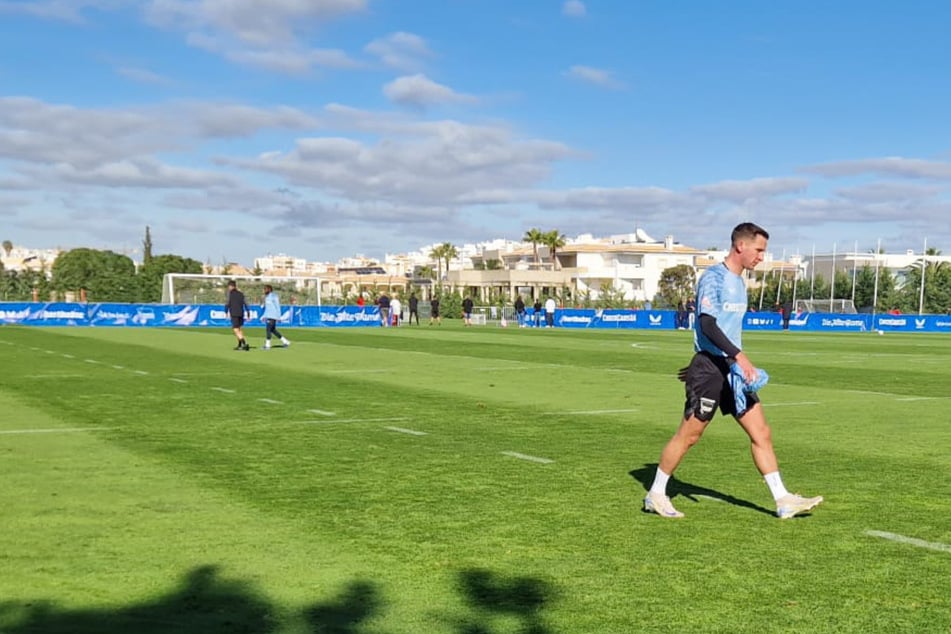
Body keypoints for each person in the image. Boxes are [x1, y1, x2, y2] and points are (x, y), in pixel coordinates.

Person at [643, 222, 823, 520]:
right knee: (690, 434)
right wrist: (727, 360)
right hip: (716, 367)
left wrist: (727, 362)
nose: (761, 257)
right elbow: (707, 324)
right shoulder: (713, 278)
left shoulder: (739, 282)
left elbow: (721, 329)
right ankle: (656, 493)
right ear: (741, 245)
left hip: (729, 370)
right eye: (759, 250)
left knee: (761, 431)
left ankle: (783, 499)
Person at [261, 284, 290, 349]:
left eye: (264, 289)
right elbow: (267, 308)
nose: (263, 290)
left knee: (268, 329)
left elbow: (277, 306)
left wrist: (278, 316)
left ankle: (267, 345)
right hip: (269, 316)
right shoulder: (266, 297)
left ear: (268, 289)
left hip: (273, 316)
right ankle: (285, 341)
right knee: (273, 330)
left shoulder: (274, 296)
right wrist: (264, 316)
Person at [225, 280, 250, 351]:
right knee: (239, 329)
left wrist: (226, 312)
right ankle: (240, 345)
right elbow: (246, 304)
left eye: (229, 286)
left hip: (234, 313)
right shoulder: (241, 294)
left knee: (236, 330)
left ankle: (244, 343)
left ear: (230, 286)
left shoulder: (230, 294)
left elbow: (227, 303)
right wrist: (248, 313)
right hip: (241, 313)